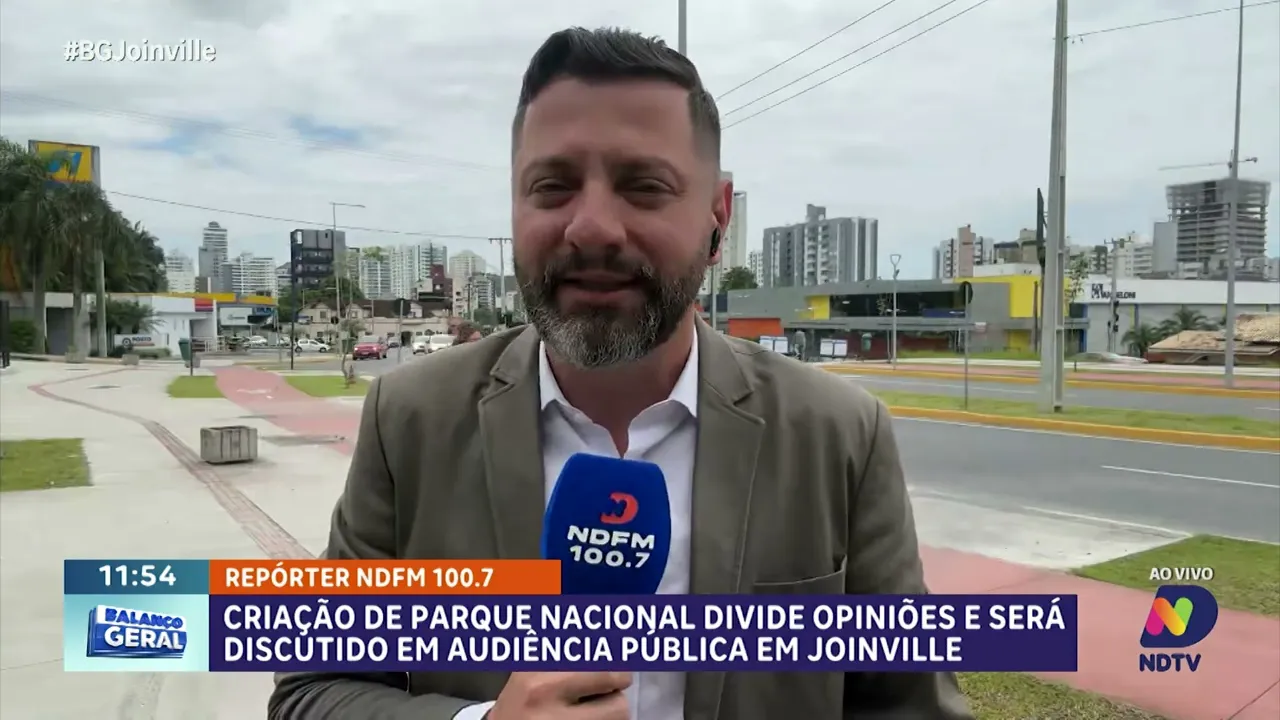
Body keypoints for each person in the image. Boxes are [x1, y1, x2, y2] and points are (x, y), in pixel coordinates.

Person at [269, 26, 971, 720]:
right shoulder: (411, 419)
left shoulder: (838, 434)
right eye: (552, 186)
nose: (593, 227)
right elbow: (314, 691)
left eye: (644, 186)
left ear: (717, 217)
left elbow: (909, 707)